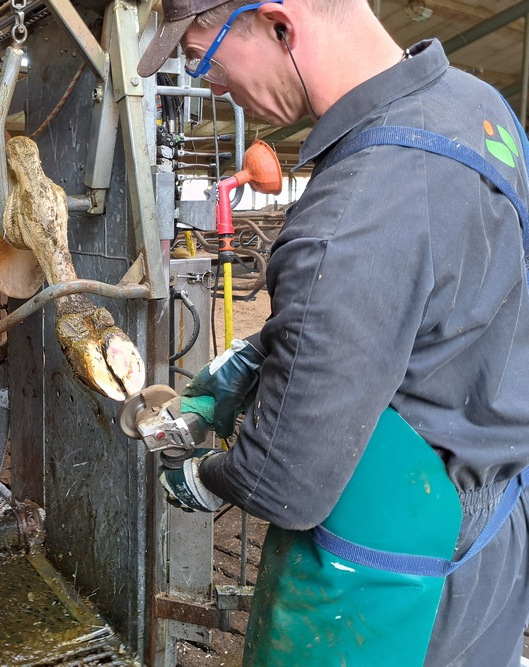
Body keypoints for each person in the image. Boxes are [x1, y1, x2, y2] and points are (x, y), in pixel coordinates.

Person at [138, 1, 529, 665]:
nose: (212, 86)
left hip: (394, 579)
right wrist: (270, 350)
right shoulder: (477, 107)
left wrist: (208, 478)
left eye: (204, 59)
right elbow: (427, 306)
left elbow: (285, 482)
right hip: (495, 533)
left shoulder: (352, 210)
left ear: (278, 23)